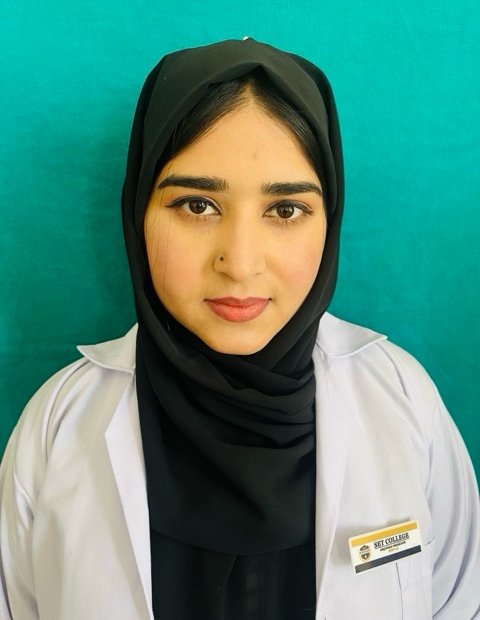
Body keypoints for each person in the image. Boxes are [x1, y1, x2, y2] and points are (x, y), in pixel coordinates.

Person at [0, 38, 478, 620]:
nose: (240, 263)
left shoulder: (404, 402)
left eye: (285, 210)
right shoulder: (58, 427)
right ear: (138, 211)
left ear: (330, 220)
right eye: (197, 205)